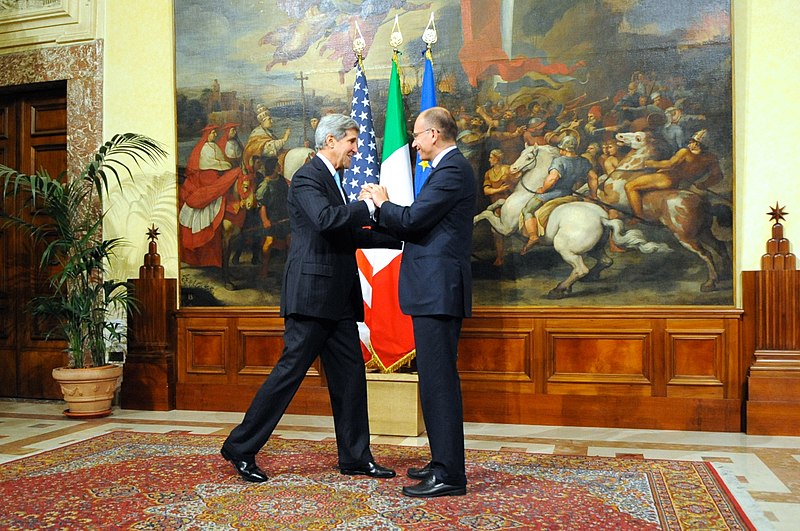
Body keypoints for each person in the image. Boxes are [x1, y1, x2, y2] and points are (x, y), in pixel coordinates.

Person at [220, 114, 399, 483]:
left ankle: (355, 457)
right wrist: (367, 206)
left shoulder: (332, 180)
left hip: (337, 300)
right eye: (351, 141)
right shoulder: (307, 177)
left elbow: (343, 235)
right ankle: (240, 447)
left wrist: (401, 238)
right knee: (289, 374)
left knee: (350, 379)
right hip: (312, 296)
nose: (355, 148)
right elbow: (327, 221)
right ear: (330, 141)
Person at [362, 107, 474, 498]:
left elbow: (414, 220)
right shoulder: (446, 169)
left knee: (439, 382)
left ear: (433, 134)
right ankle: (441, 461)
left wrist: (382, 201)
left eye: (416, 136)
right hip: (433, 289)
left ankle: (450, 475)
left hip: (438, 290)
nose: (412, 143)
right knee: (433, 380)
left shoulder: (453, 170)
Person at [518, 135, 599, 254]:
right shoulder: (584, 161)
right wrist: (593, 195)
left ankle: (533, 236)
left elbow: (552, 179)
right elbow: (594, 177)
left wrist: (543, 189)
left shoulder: (559, 161)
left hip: (552, 194)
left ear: (563, 149)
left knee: (527, 210)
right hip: (569, 193)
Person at [625, 129, 723, 221]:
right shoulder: (711, 158)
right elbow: (718, 176)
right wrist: (704, 184)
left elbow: (670, 164)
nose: (691, 143)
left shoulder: (685, 152)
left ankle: (639, 217)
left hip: (667, 178)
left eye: (693, 141)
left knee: (630, 186)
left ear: (699, 144)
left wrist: (651, 163)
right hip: (681, 184)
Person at [482, 149, 518, 266]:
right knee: (497, 233)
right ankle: (500, 257)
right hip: (496, 205)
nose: (489, 160)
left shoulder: (507, 169)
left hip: (509, 203)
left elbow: (514, 185)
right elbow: (486, 191)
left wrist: (509, 182)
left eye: (491, 157)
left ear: (497, 158)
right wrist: (499, 190)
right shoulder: (488, 173)